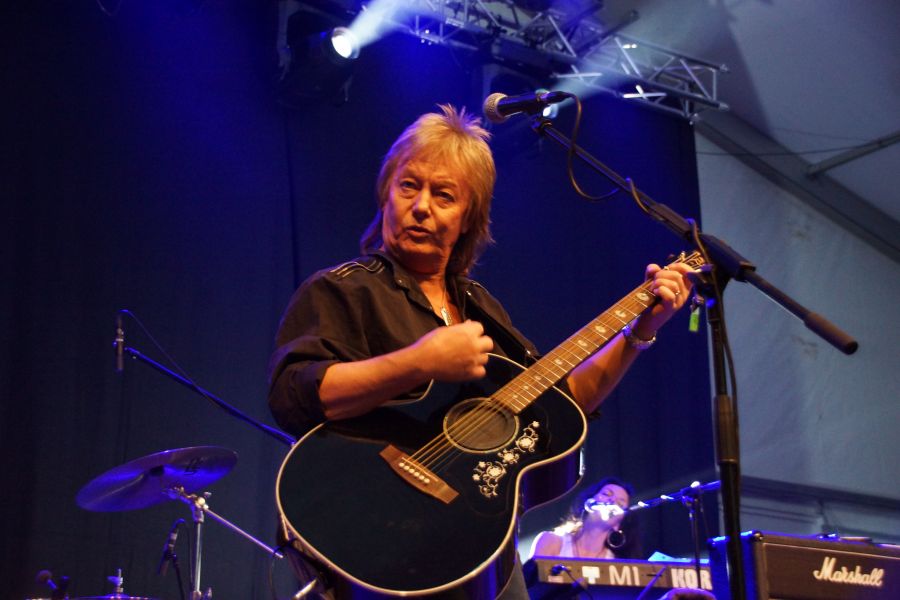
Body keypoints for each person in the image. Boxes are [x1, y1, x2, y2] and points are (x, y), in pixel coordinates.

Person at [267, 104, 695, 599]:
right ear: (386, 193)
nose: (421, 206)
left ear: (468, 218)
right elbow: (292, 395)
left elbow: (563, 402)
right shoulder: (343, 290)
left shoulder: (481, 307)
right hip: (374, 534)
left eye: (443, 195)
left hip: (482, 547)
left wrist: (640, 330)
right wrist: (417, 363)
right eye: (408, 186)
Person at [530, 477, 641, 560]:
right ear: (589, 502)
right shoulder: (551, 541)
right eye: (606, 494)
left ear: (617, 524)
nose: (612, 501)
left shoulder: (615, 564)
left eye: (620, 504)